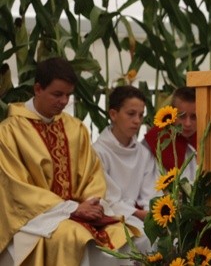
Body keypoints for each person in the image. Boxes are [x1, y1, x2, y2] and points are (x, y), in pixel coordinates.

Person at [0, 57, 130, 266]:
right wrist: (71, 209)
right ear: (38, 89)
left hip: (77, 212)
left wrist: (91, 204)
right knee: (75, 237)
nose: (63, 101)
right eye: (57, 94)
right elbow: (16, 190)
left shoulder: (74, 128)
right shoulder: (9, 132)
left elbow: (92, 175)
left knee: (124, 234)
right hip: (35, 219)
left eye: (68, 95)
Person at [93, 85, 160, 252]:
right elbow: (105, 198)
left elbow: (151, 192)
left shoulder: (143, 154)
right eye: (131, 114)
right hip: (109, 217)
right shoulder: (98, 151)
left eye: (141, 115)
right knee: (140, 241)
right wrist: (137, 214)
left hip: (138, 217)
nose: (137, 120)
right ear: (113, 114)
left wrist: (152, 212)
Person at [144, 86, 197, 180]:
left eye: (194, 117)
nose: (188, 123)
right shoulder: (153, 142)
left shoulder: (204, 140)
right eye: (182, 116)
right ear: (171, 114)